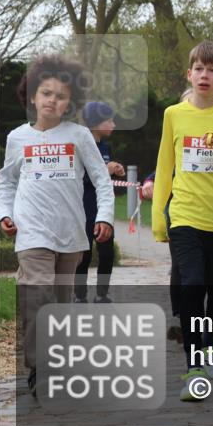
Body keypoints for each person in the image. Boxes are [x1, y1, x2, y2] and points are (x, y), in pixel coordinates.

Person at [0, 55, 115, 397]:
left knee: (60, 303)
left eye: (60, 96)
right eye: (45, 93)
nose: (52, 100)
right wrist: (4, 212)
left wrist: (105, 216)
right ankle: (40, 368)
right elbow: (5, 182)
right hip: (31, 231)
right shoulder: (18, 138)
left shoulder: (79, 136)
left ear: (70, 103)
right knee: (37, 294)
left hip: (71, 234)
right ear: (32, 96)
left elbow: (101, 181)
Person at [150, 41, 213, 402]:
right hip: (184, 214)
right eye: (198, 68)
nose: (204, 75)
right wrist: (158, 218)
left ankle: (210, 345)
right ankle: (194, 363)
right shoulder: (173, 115)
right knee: (192, 283)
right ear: (189, 74)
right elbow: (165, 167)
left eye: (212, 70)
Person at [73, 101, 126, 303]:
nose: (113, 124)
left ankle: (102, 294)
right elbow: (83, 178)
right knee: (84, 255)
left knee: (106, 253)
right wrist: (106, 169)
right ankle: (80, 295)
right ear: (96, 122)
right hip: (84, 208)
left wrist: (115, 171)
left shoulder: (105, 147)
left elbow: (103, 181)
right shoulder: (80, 146)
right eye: (109, 120)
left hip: (103, 210)